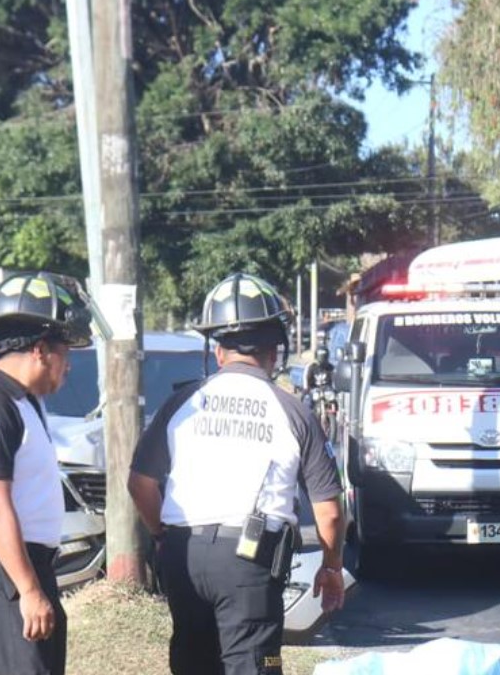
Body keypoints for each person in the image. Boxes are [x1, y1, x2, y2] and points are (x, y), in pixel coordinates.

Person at [129, 273, 345, 675]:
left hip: (183, 554)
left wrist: (161, 535)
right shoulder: (291, 410)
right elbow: (329, 511)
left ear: (217, 350)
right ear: (274, 351)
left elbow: (140, 483)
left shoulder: (182, 402)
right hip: (250, 564)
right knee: (257, 664)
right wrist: (331, 567)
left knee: (194, 664)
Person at [0, 272, 96, 675]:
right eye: (67, 354)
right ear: (40, 351)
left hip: (23, 563)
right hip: (1, 568)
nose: (68, 367)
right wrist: (28, 589)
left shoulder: (24, 402)